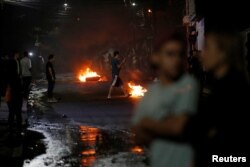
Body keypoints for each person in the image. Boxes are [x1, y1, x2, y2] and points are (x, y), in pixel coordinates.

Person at [134, 29, 250, 167]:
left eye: (207, 48)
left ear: (222, 54)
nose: (202, 54)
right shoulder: (224, 83)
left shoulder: (231, 88)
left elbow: (214, 134)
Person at [132, 33, 199, 167]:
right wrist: (164, 125)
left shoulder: (188, 84)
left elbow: (177, 127)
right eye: (170, 54)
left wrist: (148, 123)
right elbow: (138, 134)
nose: (176, 60)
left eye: (180, 55)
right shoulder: (152, 91)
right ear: (156, 58)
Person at [6, 52, 23, 132]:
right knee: (17, 112)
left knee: (11, 112)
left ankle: (11, 126)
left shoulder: (8, 77)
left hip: (11, 96)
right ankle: (18, 126)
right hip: (16, 96)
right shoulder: (17, 79)